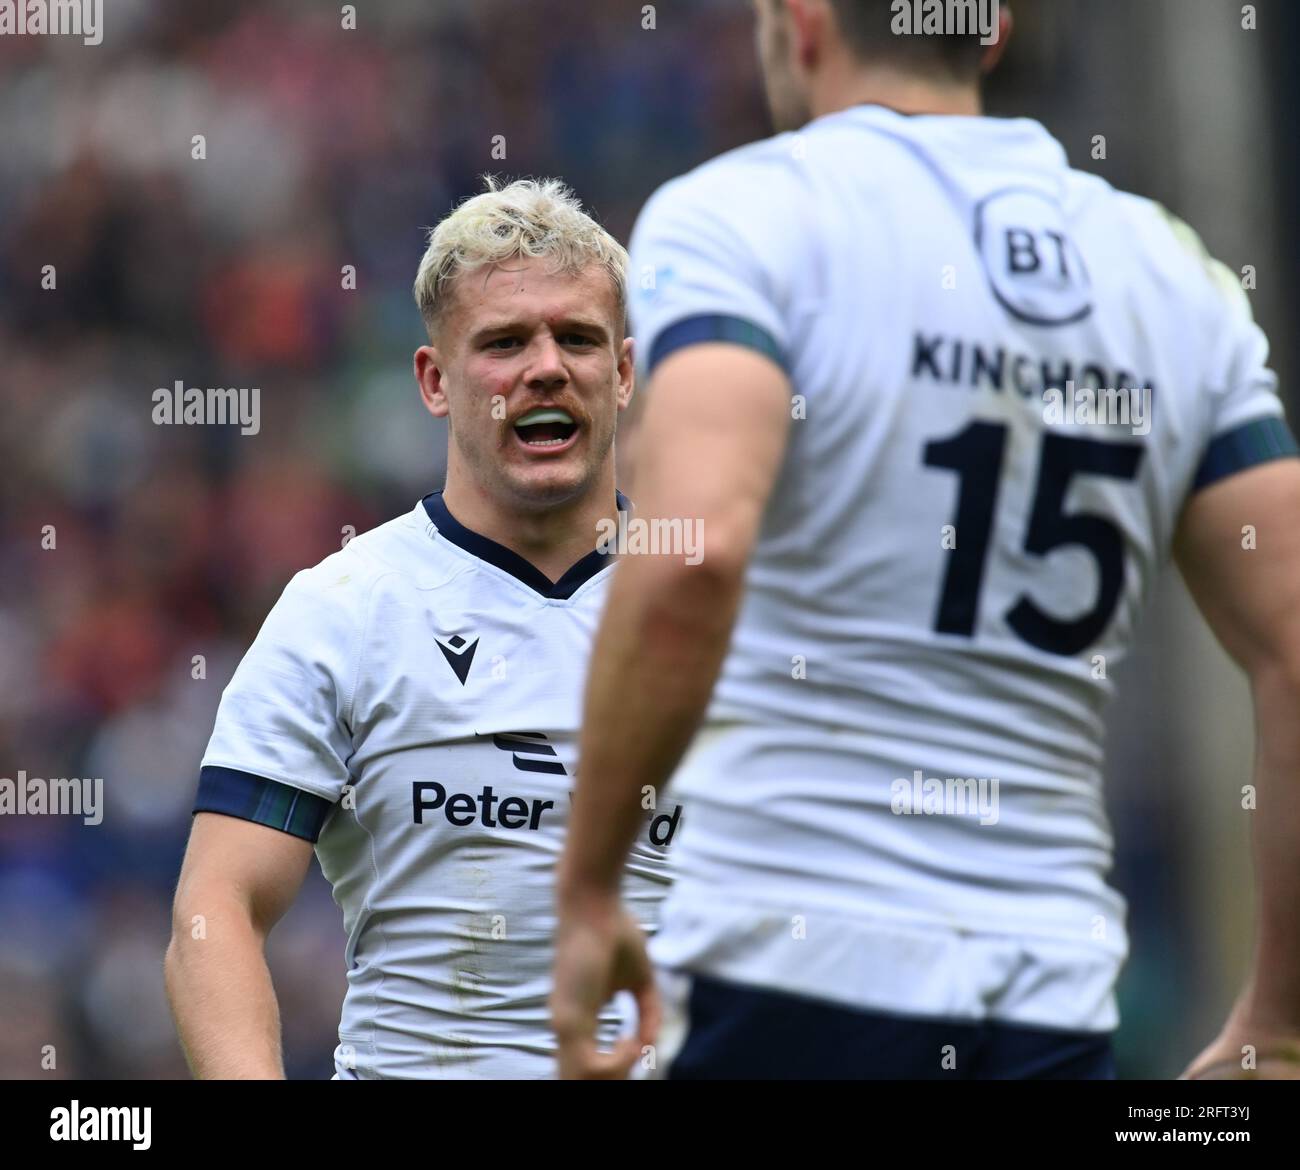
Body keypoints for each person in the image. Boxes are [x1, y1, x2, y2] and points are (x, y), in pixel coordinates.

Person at [551, 0, 1300, 1080]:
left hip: (792, 972)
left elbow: (695, 551)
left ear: (799, 21)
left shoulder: (741, 213)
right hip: (1049, 993)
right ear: (989, 30)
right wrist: (1277, 1023)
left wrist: (587, 892)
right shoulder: (1169, 273)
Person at [165, 177, 678, 1078]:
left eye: (579, 338)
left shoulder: (721, 611)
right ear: (436, 381)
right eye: (506, 342)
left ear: (624, 373)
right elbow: (218, 909)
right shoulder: (344, 610)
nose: (547, 367)